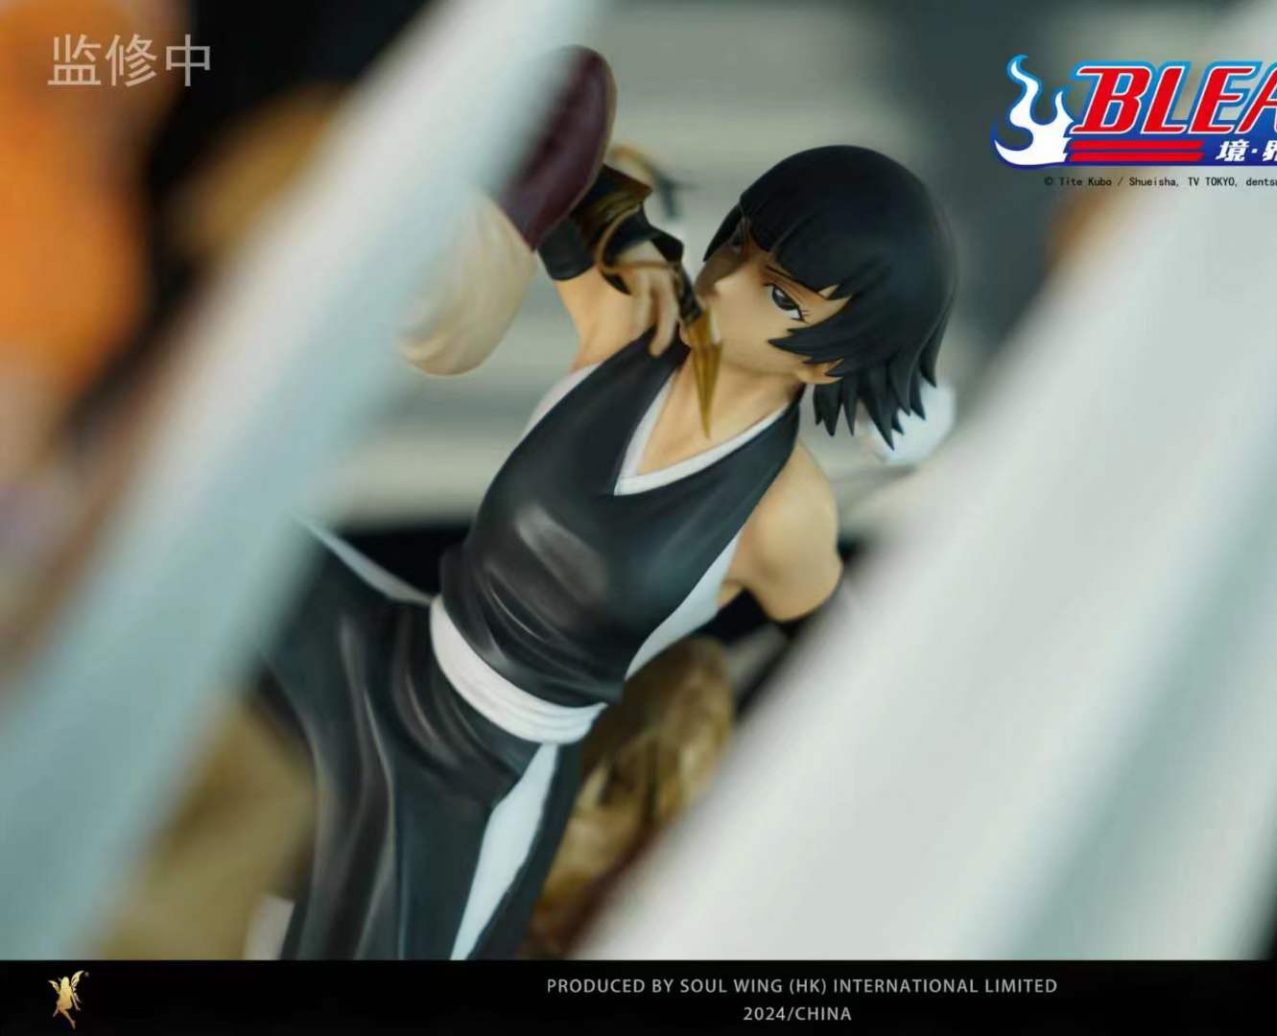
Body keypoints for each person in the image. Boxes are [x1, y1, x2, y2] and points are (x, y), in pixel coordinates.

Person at [259, 48, 955, 959]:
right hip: (384, 653)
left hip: (481, 779)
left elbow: (854, 659)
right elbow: (566, 122)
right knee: (177, 576)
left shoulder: (784, 509)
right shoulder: (634, 321)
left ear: (831, 362)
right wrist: (623, 233)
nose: (725, 283)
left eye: (779, 296)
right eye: (739, 244)